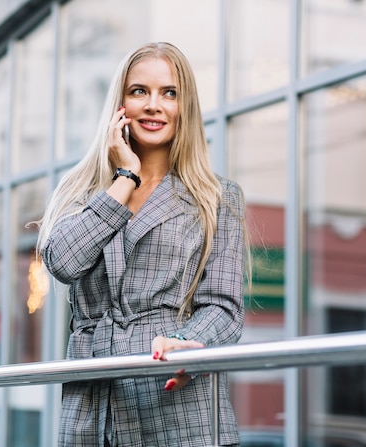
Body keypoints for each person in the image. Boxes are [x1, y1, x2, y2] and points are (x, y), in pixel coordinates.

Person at [36, 42, 247, 447]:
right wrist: (124, 180)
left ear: (185, 107)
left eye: (169, 93)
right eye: (139, 91)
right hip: (90, 410)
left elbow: (224, 307)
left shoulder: (217, 197)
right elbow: (62, 263)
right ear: (119, 105)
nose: (154, 105)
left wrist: (191, 345)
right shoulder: (79, 191)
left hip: (178, 410)